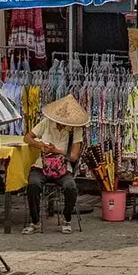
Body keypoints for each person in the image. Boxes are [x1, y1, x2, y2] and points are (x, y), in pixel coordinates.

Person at [23, 94, 88, 234]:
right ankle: (35, 221)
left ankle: (67, 218)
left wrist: (56, 151)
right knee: (33, 184)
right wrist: (40, 145)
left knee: (71, 187)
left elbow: (74, 156)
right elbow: (27, 137)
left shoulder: (75, 130)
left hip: (62, 167)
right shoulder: (46, 123)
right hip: (42, 165)